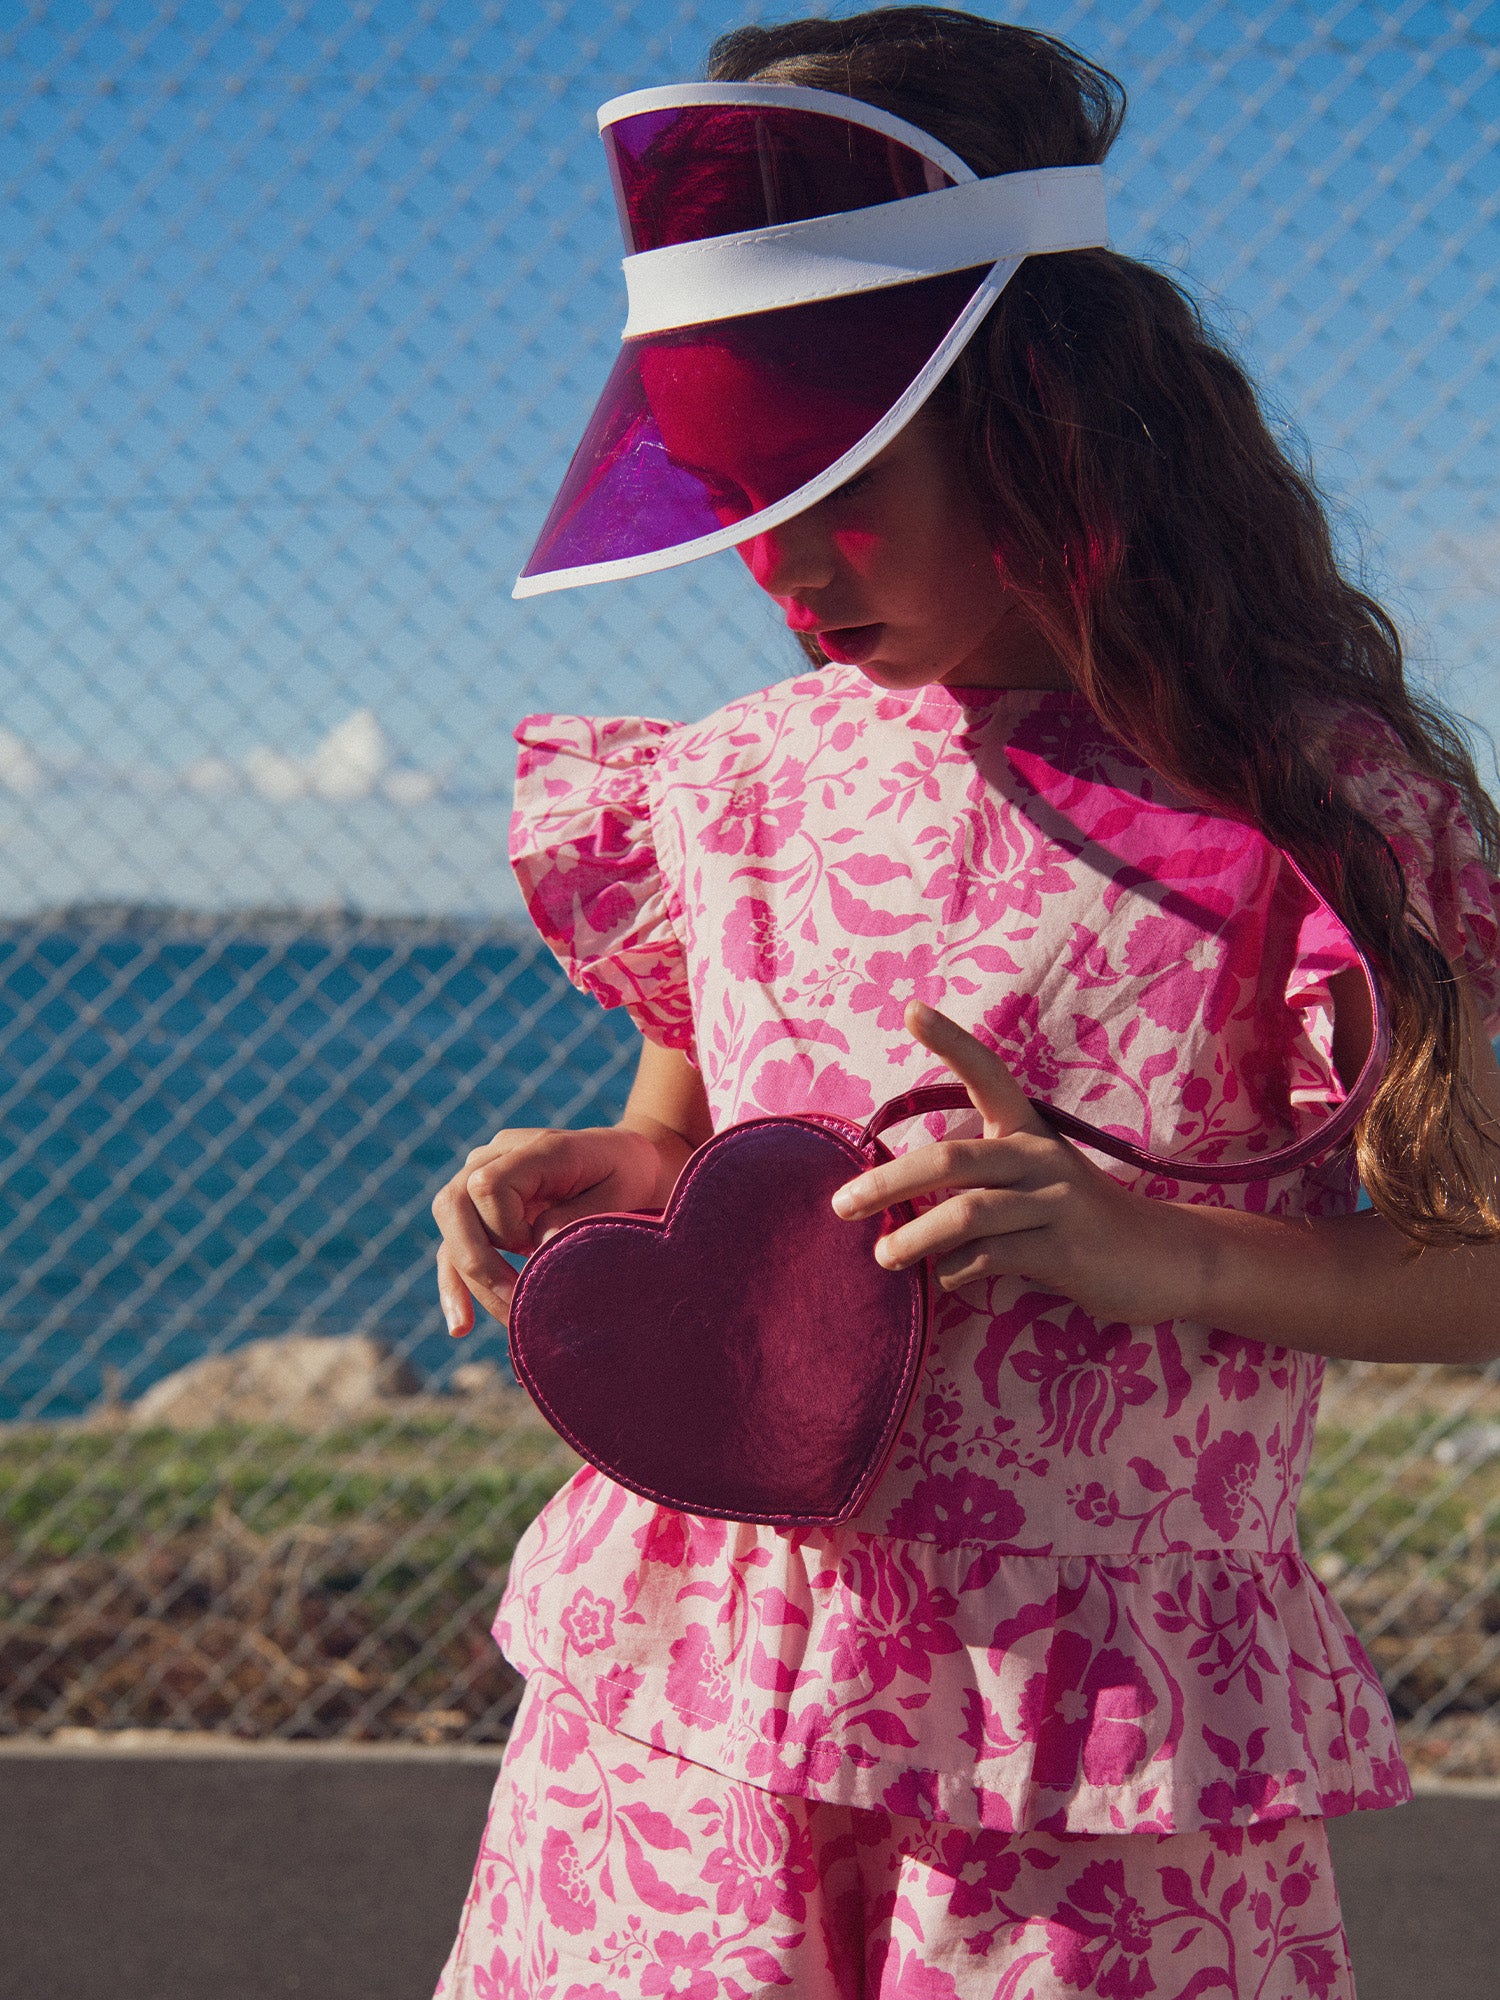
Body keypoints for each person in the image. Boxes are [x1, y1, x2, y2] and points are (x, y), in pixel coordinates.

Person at [431, 12, 1500, 1996]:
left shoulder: (1316, 812)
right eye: (737, 486)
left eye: (840, 480)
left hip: (1084, 1768)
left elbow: (1479, 1259)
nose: (777, 555)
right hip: (704, 1731)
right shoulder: (740, 785)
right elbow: (694, 1129)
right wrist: (618, 1171)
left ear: (1040, 426)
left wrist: (1166, 1259)